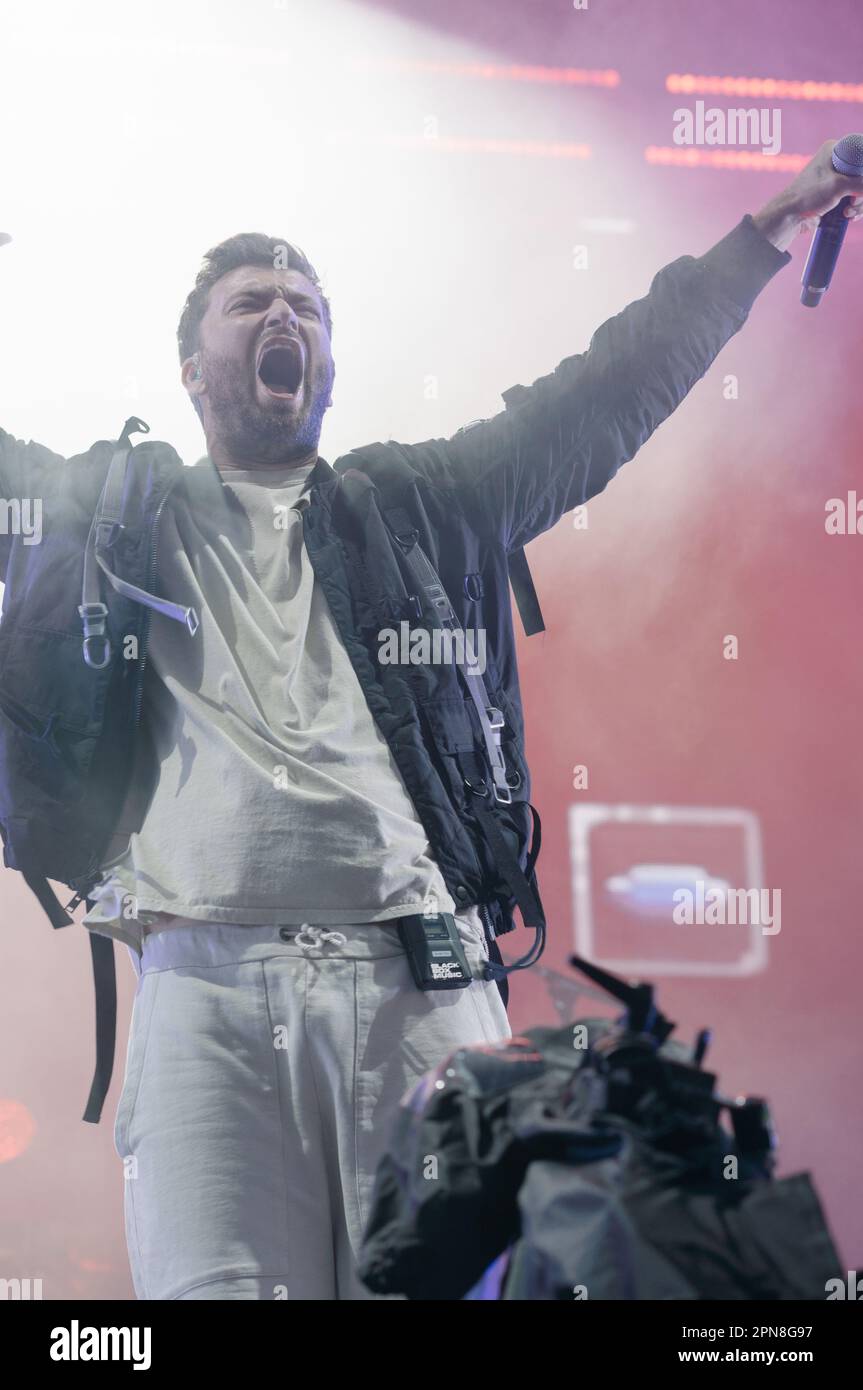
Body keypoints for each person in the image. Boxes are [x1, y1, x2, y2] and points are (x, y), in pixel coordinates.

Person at [0, 140, 860, 1301]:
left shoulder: (423, 501)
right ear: (194, 368)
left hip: (421, 986)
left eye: (305, 304)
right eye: (250, 301)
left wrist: (768, 225)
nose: (282, 313)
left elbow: (605, 391)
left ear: (326, 364)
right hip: (205, 989)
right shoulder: (103, 515)